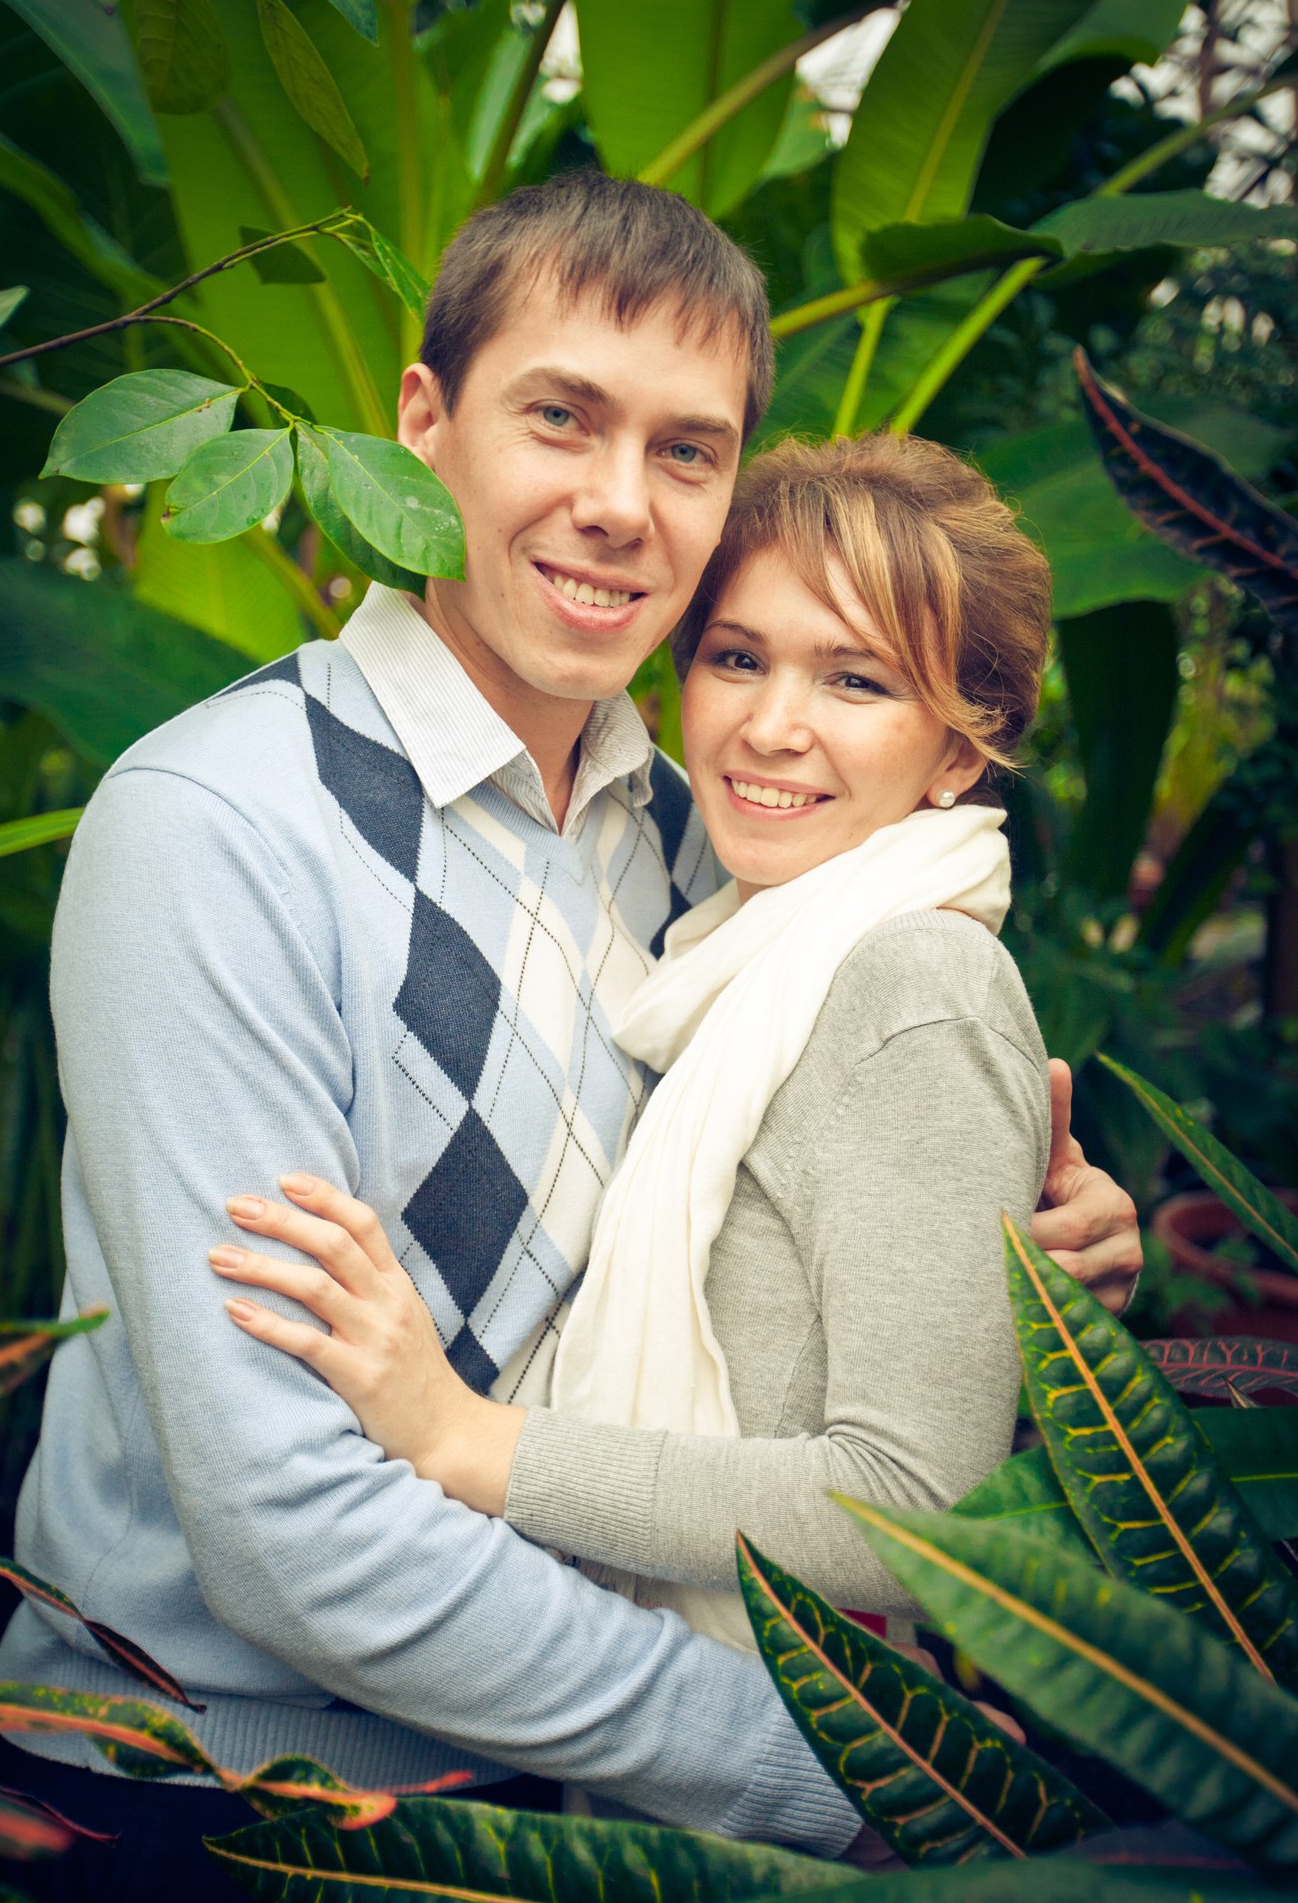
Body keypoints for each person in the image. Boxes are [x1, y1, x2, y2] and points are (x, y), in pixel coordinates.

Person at [0, 174, 1140, 1903]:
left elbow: (801, 1261)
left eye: (687, 450)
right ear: (425, 421)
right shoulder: (221, 828)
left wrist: (1011, 1258)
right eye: (560, 416)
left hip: (584, 1811)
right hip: (239, 1812)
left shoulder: (704, 851)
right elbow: (287, 1528)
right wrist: (827, 1772)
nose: (620, 501)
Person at [211, 432, 1054, 1670]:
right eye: (738, 657)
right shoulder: (723, 933)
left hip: (800, 1738)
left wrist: (464, 1439)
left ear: (961, 752)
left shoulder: (917, 982)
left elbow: (919, 1516)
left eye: (856, 681)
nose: (772, 726)